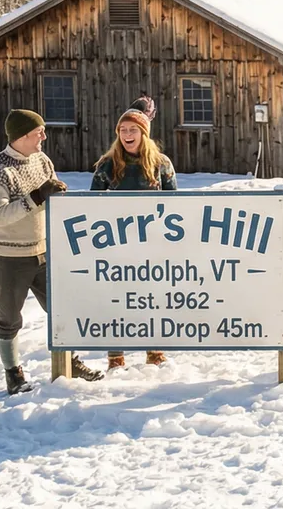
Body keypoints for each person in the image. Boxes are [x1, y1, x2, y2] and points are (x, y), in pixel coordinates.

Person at [0, 109, 103, 394]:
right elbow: (0, 214)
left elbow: (50, 197)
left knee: (63, 307)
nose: (44, 137)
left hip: (45, 251)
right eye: (38, 133)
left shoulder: (42, 160)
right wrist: (37, 197)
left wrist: (57, 196)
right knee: (9, 317)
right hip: (8, 257)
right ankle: (13, 372)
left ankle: (70, 361)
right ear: (22, 136)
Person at [91, 107, 177, 370]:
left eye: (133, 129)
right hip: (116, 244)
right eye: (123, 130)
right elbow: (91, 206)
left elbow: (176, 205)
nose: (128, 134)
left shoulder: (161, 164)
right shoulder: (107, 166)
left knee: (152, 296)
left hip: (152, 243)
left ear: (144, 133)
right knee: (117, 298)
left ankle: (155, 350)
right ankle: (115, 355)